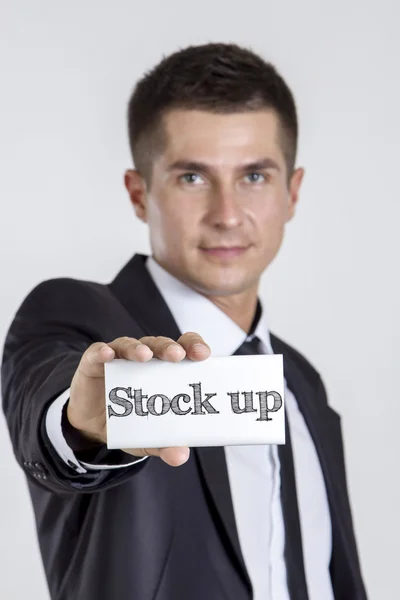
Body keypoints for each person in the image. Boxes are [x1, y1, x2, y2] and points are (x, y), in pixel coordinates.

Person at [1, 42, 367, 600]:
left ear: (292, 193)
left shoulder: (303, 383)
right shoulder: (78, 321)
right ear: (139, 192)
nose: (226, 214)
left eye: (254, 176)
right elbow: (49, 415)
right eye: (192, 177)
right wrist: (85, 422)